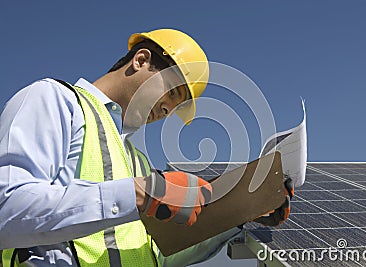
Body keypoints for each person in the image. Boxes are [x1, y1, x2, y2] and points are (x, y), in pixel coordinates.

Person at [0, 28, 293, 267]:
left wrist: (238, 215)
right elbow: (7, 210)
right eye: (172, 93)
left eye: (177, 106)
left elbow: (155, 255)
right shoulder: (54, 101)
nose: (168, 110)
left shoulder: (138, 162)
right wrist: (141, 194)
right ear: (141, 60)